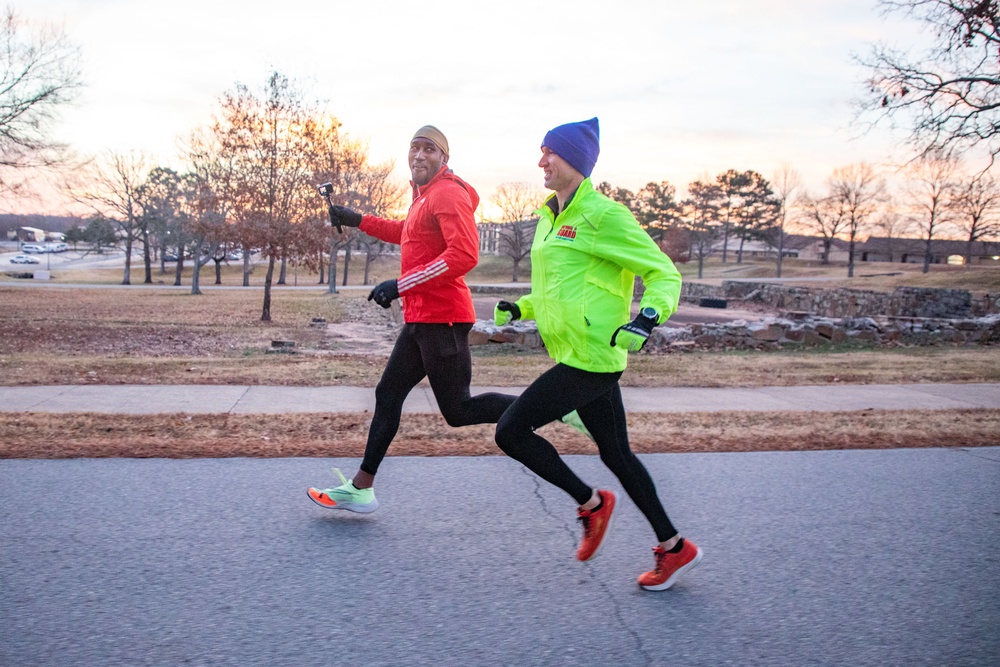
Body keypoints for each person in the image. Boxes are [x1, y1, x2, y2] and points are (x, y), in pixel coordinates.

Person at [492, 118, 702, 591]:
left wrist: (648, 317)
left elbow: (663, 273)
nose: (541, 160)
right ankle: (674, 548)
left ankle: (591, 504)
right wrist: (522, 306)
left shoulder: (604, 215)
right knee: (618, 455)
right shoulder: (551, 217)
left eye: (551, 152)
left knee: (510, 431)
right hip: (578, 353)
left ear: (576, 162)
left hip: (591, 357)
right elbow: (564, 287)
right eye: (541, 150)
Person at [308, 125, 515, 512]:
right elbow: (408, 233)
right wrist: (357, 220)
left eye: (429, 149)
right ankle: (361, 488)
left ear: (444, 158)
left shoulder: (448, 193)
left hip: (444, 320)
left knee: (458, 411)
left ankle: (544, 406)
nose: (419, 155)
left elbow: (464, 256)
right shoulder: (423, 199)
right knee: (388, 394)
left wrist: (401, 285)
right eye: (414, 147)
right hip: (422, 319)